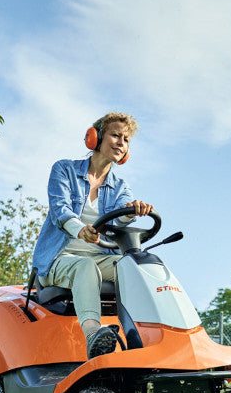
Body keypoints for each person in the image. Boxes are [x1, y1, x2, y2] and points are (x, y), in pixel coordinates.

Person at [30, 112, 155, 358]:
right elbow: (60, 210)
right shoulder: (64, 169)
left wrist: (132, 212)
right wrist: (81, 230)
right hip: (59, 258)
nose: (121, 143)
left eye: (126, 140)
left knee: (138, 268)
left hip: (101, 257)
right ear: (95, 137)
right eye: (116, 135)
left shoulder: (120, 186)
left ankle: (146, 339)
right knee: (86, 266)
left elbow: (120, 217)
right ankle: (94, 338)